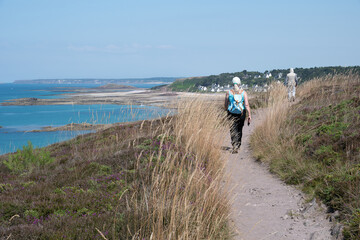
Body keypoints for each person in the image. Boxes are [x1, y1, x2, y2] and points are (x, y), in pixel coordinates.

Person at [225, 77, 251, 154]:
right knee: (239, 129)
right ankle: (238, 145)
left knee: (233, 129)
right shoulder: (244, 93)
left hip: (231, 113)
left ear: (232, 83)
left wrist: (227, 111)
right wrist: (249, 115)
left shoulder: (228, 92)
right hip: (241, 114)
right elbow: (246, 104)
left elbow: (226, 104)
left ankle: (234, 145)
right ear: (239, 84)